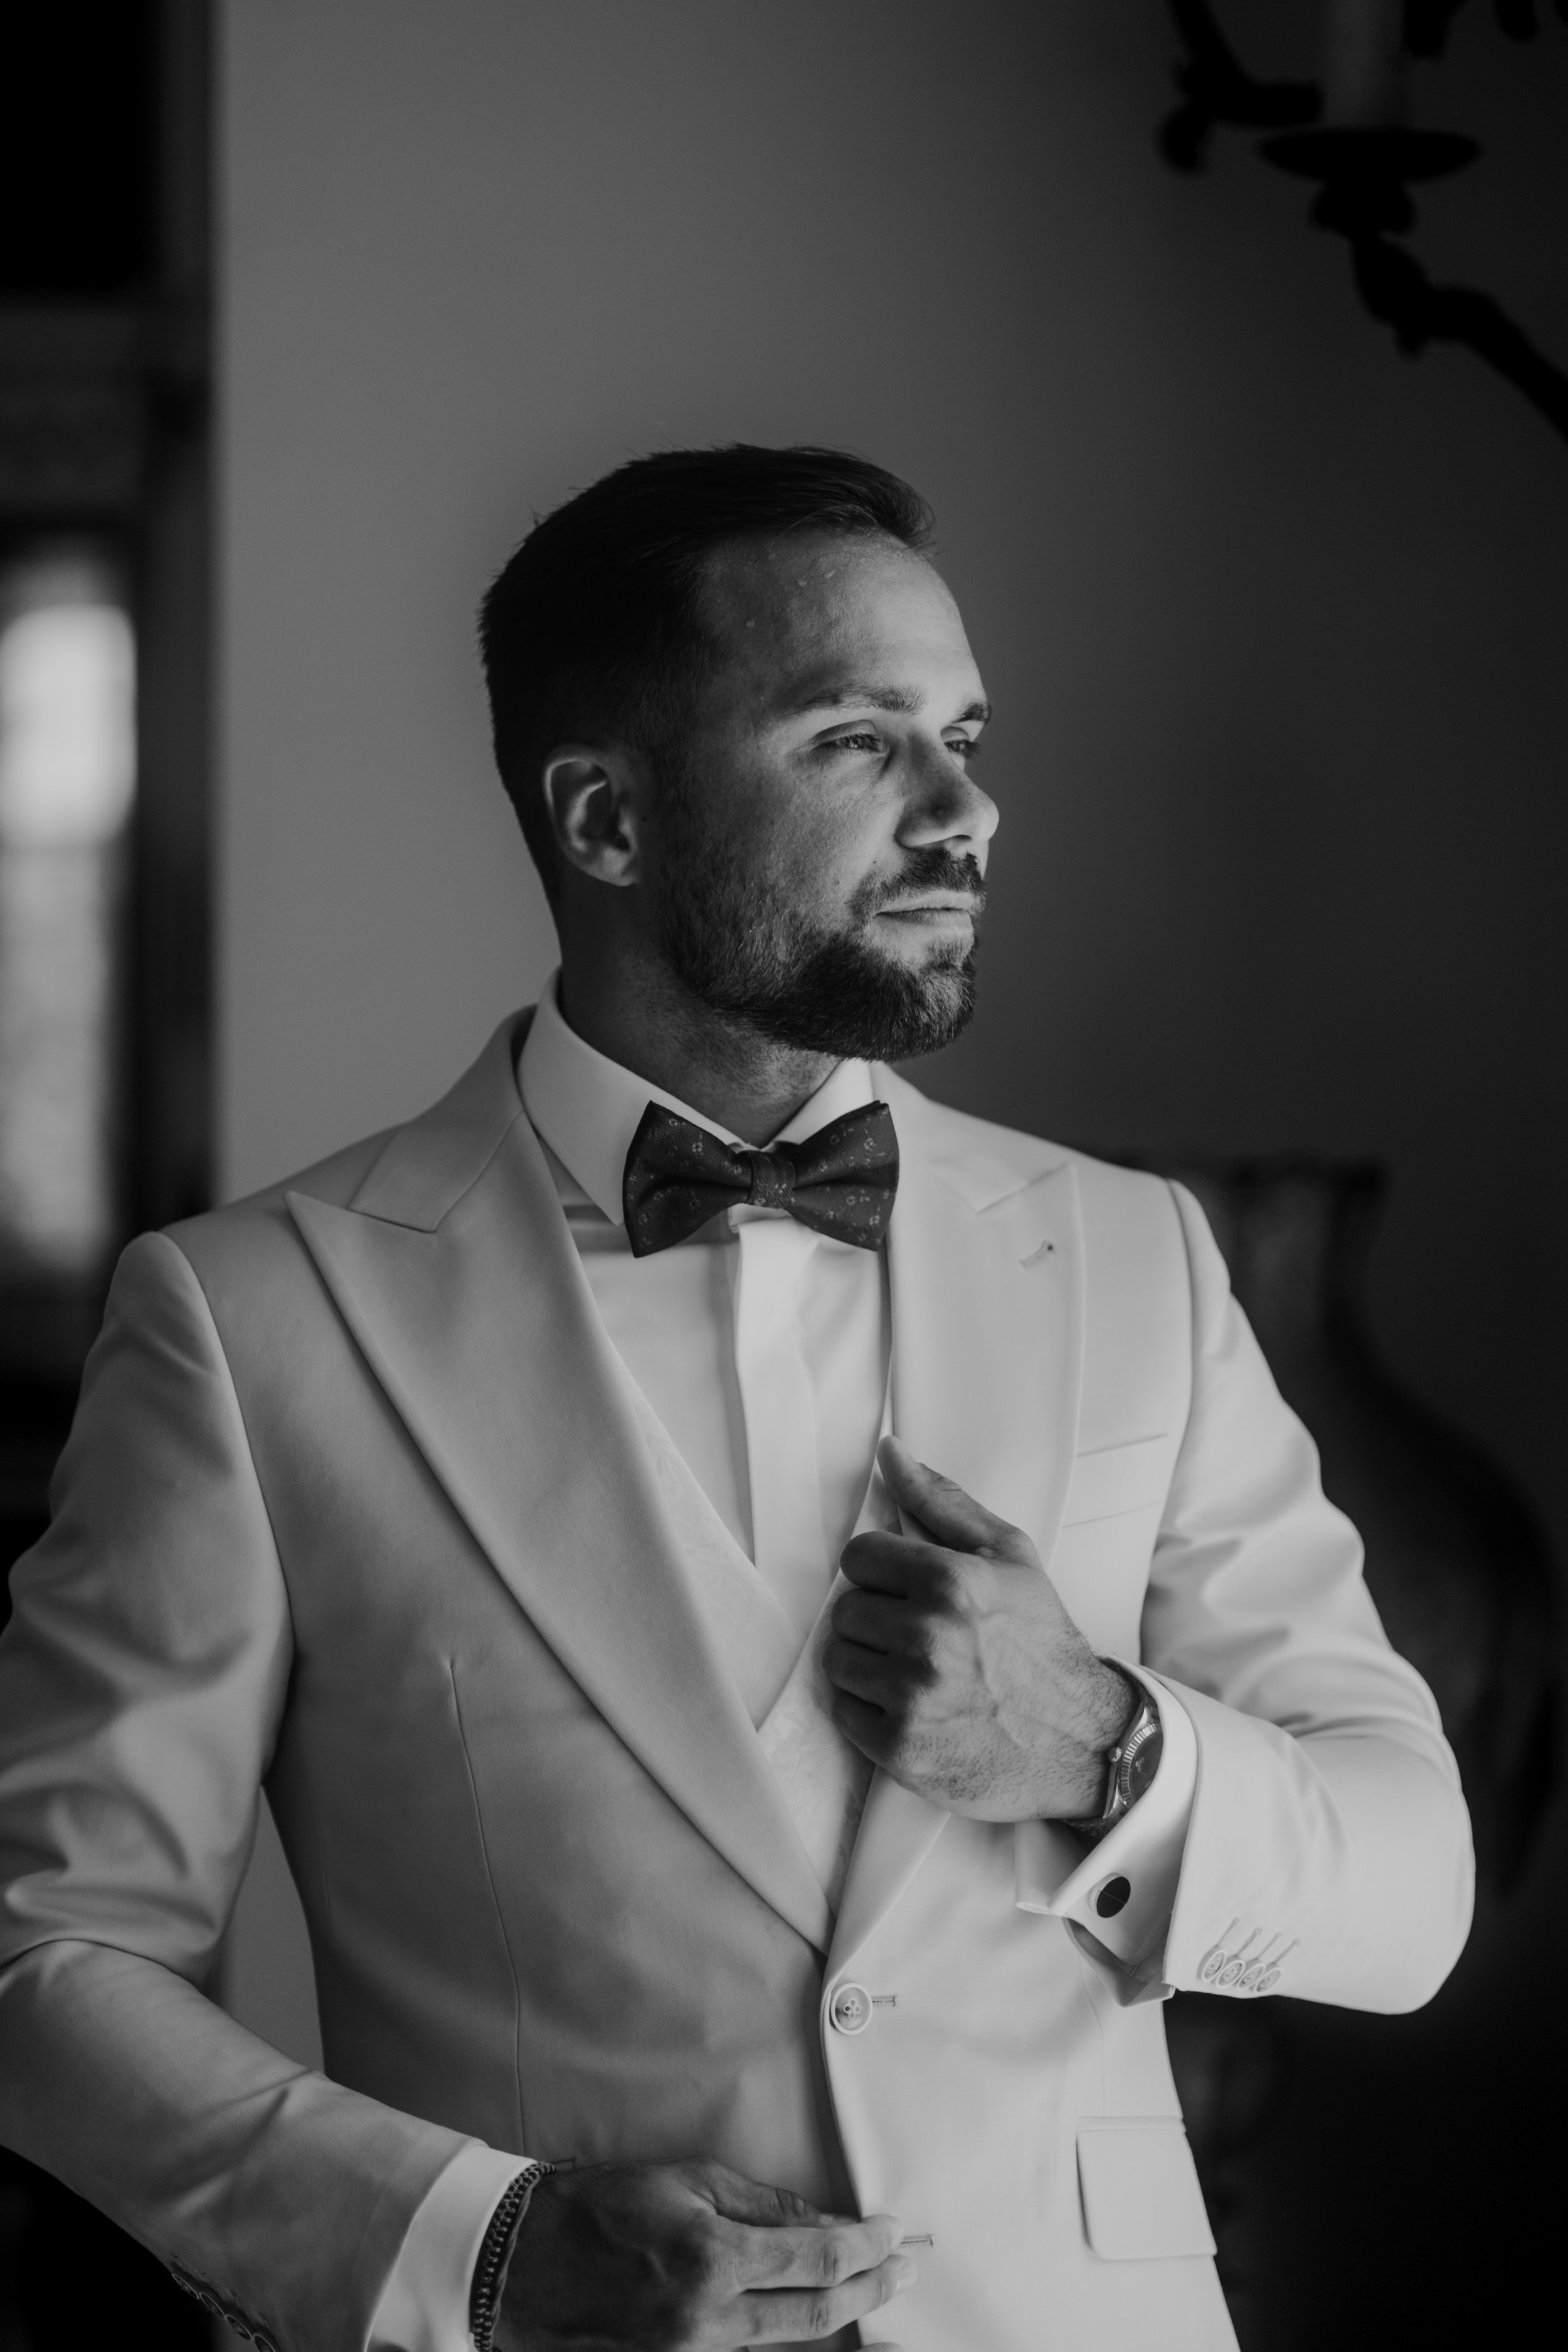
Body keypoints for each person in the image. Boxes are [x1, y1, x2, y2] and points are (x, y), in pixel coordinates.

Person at [0, 445, 1471, 2352]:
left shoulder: (1135, 1258)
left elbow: (1410, 1888)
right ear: (605, 819)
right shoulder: (250, 1318)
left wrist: (1103, 1750)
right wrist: (483, 2251)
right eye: (858, 742)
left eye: (963, 734)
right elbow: (46, 1959)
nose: (968, 809)